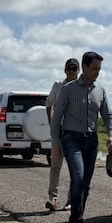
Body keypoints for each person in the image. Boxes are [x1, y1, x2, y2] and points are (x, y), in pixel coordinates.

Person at [49, 51, 112, 223]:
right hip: (71, 140)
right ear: (84, 67)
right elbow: (56, 119)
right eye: (94, 68)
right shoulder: (68, 89)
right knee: (77, 178)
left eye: (99, 69)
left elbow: (109, 115)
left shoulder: (100, 91)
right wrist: (55, 144)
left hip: (92, 141)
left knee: (85, 185)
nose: (97, 72)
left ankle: (75, 220)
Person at [44, 58, 80, 212]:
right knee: (55, 166)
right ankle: (53, 198)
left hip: (74, 133)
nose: (71, 71)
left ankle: (71, 201)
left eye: (74, 68)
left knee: (74, 168)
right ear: (65, 70)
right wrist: (52, 123)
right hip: (59, 132)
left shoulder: (82, 87)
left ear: (78, 70)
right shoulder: (58, 86)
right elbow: (48, 104)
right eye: (69, 68)